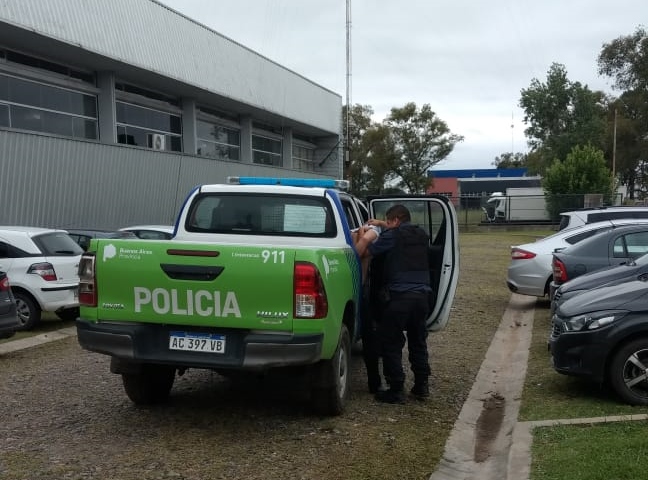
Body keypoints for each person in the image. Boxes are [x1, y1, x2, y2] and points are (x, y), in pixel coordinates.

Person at [354, 204, 432, 404]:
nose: (386, 225)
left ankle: (396, 389)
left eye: (388, 222)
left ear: (396, 221)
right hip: (423, 297)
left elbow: (361, 253)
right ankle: (421, 386)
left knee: (390, 342)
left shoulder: (392, 237)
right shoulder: (421, 235)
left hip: (400, 298)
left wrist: (364, 235)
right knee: (418, 341)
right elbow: (400, 231)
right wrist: (381, 223)